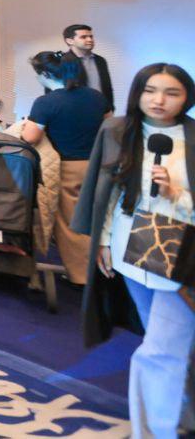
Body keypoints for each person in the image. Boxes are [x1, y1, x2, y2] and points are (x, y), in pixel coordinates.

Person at [73, 63, 194, 438]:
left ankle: (155, 431)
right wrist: (103, 240)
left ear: (187, 97)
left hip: (180, 253)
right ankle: (181, 414)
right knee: (164, 342)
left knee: (160, 350)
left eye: (171, 93)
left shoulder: (192, 137)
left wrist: (177, 193)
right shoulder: (117, 130)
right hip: (130, 246)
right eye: (150, 90)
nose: (158, 100)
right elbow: (107, 192)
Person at [22, 51, 107, 287]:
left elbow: (30, 136)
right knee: (96, 221)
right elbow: (109, 125)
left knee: (71, 225)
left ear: (45, 74)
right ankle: (102, 270)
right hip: (97, 165)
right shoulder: (96, 97)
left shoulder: (46, 102)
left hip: (68, 169)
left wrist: (26, 124)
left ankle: (83, 277)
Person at [62, 24, 114, 113]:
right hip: (77, 112)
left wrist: (111, 108)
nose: (90, 40)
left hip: (102, 110)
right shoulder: (64, 61)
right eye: (83, 37)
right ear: (70, 41)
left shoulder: (100, 60)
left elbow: (107, 87)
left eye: (91, 36)